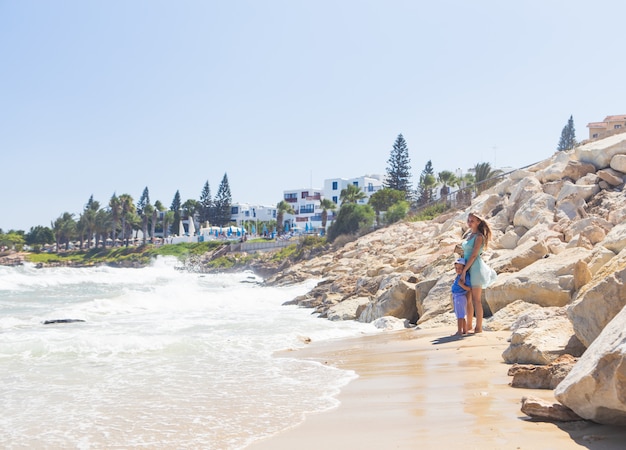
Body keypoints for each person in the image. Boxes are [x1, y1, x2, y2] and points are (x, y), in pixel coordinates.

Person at [461, 211, 497, 333]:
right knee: (467, 299)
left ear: (478, 222)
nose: (469, 223)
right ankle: (469, 325)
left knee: (476, 299)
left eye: (472, 221)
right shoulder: (469, 235)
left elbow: (474, 255)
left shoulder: (479, 237)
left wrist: (464, 270)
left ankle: (479, 327)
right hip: (465, 268)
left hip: (475, 268)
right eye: (468, 220)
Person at [451, 257, 471, 336]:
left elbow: (469, 288)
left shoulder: (466, 277)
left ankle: (459, 331)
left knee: (460, 315)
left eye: (460, 268)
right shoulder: (459, 276)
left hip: (460, 296)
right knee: (460, 314)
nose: (457, 270)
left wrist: (461, 285)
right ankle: (464, 330)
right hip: (456, 296)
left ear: (464, 268)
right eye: (456, 268)